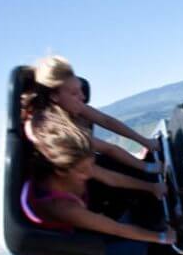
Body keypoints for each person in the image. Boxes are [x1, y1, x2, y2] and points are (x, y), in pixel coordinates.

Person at [24, 107, 174, 255]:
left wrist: (152, 188)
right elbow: (118, 229)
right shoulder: (60, 207)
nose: (89, 173)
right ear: (60, 171)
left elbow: (110, 178)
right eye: (82, 171)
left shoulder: (75, 162)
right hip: (76, 245)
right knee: (139, 249)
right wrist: (162, 237)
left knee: (111, 175)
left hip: (84, 204)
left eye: (90, 165)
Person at [22, 55, 161, 174]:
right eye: (74, 93)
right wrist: (148, 168)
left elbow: (106, 121)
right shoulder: (52, 129)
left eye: (80, 90)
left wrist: (146, 142)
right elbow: (109, 149)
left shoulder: (69, 103)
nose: (82, 97)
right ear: (54, 96)